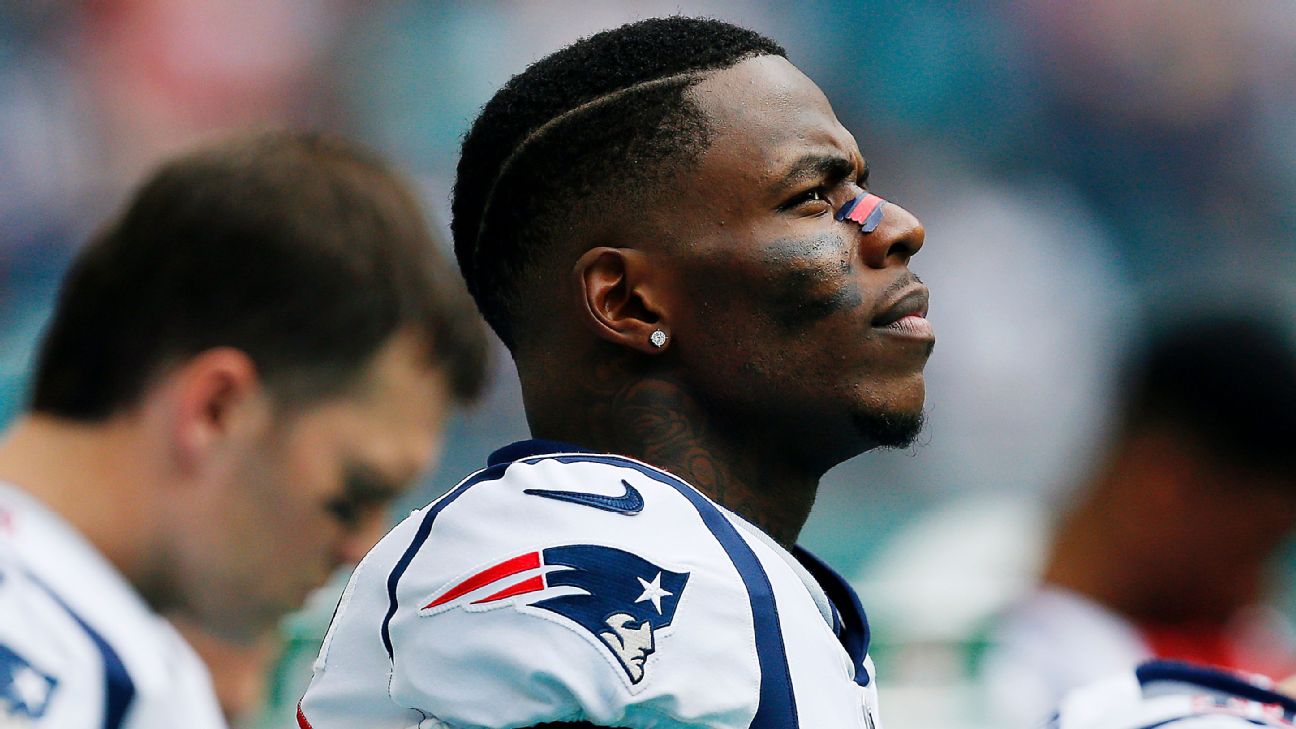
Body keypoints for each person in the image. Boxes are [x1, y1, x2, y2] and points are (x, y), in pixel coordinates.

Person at [298, 16, 933, 729]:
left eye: (861, 186)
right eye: (816, 196)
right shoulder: (605, 560)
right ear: (628, 300)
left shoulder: (715, 575)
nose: (897, 224)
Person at [0, 130, 488, 727]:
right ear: (218, 409)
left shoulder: (125, 661)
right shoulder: (77, 670)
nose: (361, 551)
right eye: (353, 494)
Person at [980, 310, 1296, 728]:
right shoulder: (963, 634)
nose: (1255, 589)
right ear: (1163, 484)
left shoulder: (1251, 637)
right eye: (1251, 550)